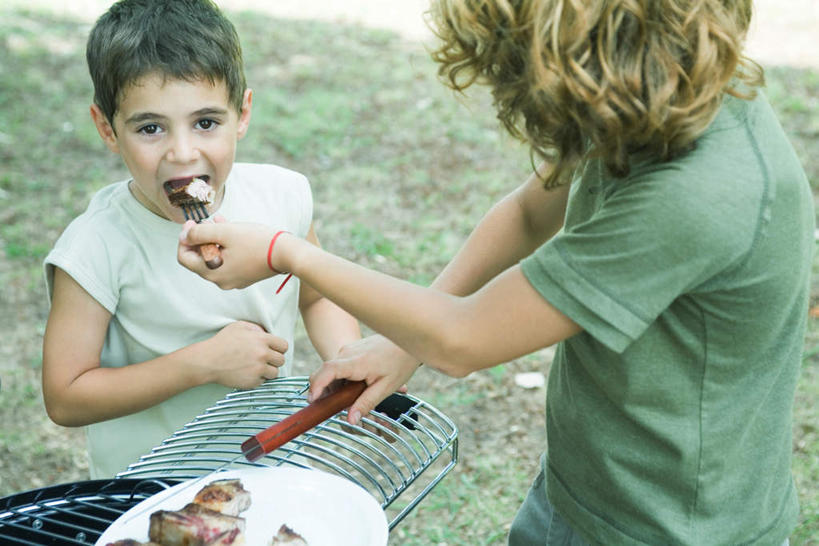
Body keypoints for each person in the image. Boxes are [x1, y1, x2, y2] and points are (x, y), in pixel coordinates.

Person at [177, 0, 813, 543]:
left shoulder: (696, 193)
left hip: (673, 526)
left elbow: (465, 339)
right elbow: (530, 213)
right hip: (587, 489)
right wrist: (402, 343)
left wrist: (285, 252)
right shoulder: (655, 93)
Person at [41, 0, 360, 479]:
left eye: (206, 123)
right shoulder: (95, 246)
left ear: (243, 113)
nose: (182, 153)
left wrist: (344, 360)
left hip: (272, 462)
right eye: (150, 128)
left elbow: (316, 298)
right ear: (108, 129)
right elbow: (65, 396)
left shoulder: (283, 196)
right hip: (150, 487)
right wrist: (202, 364)